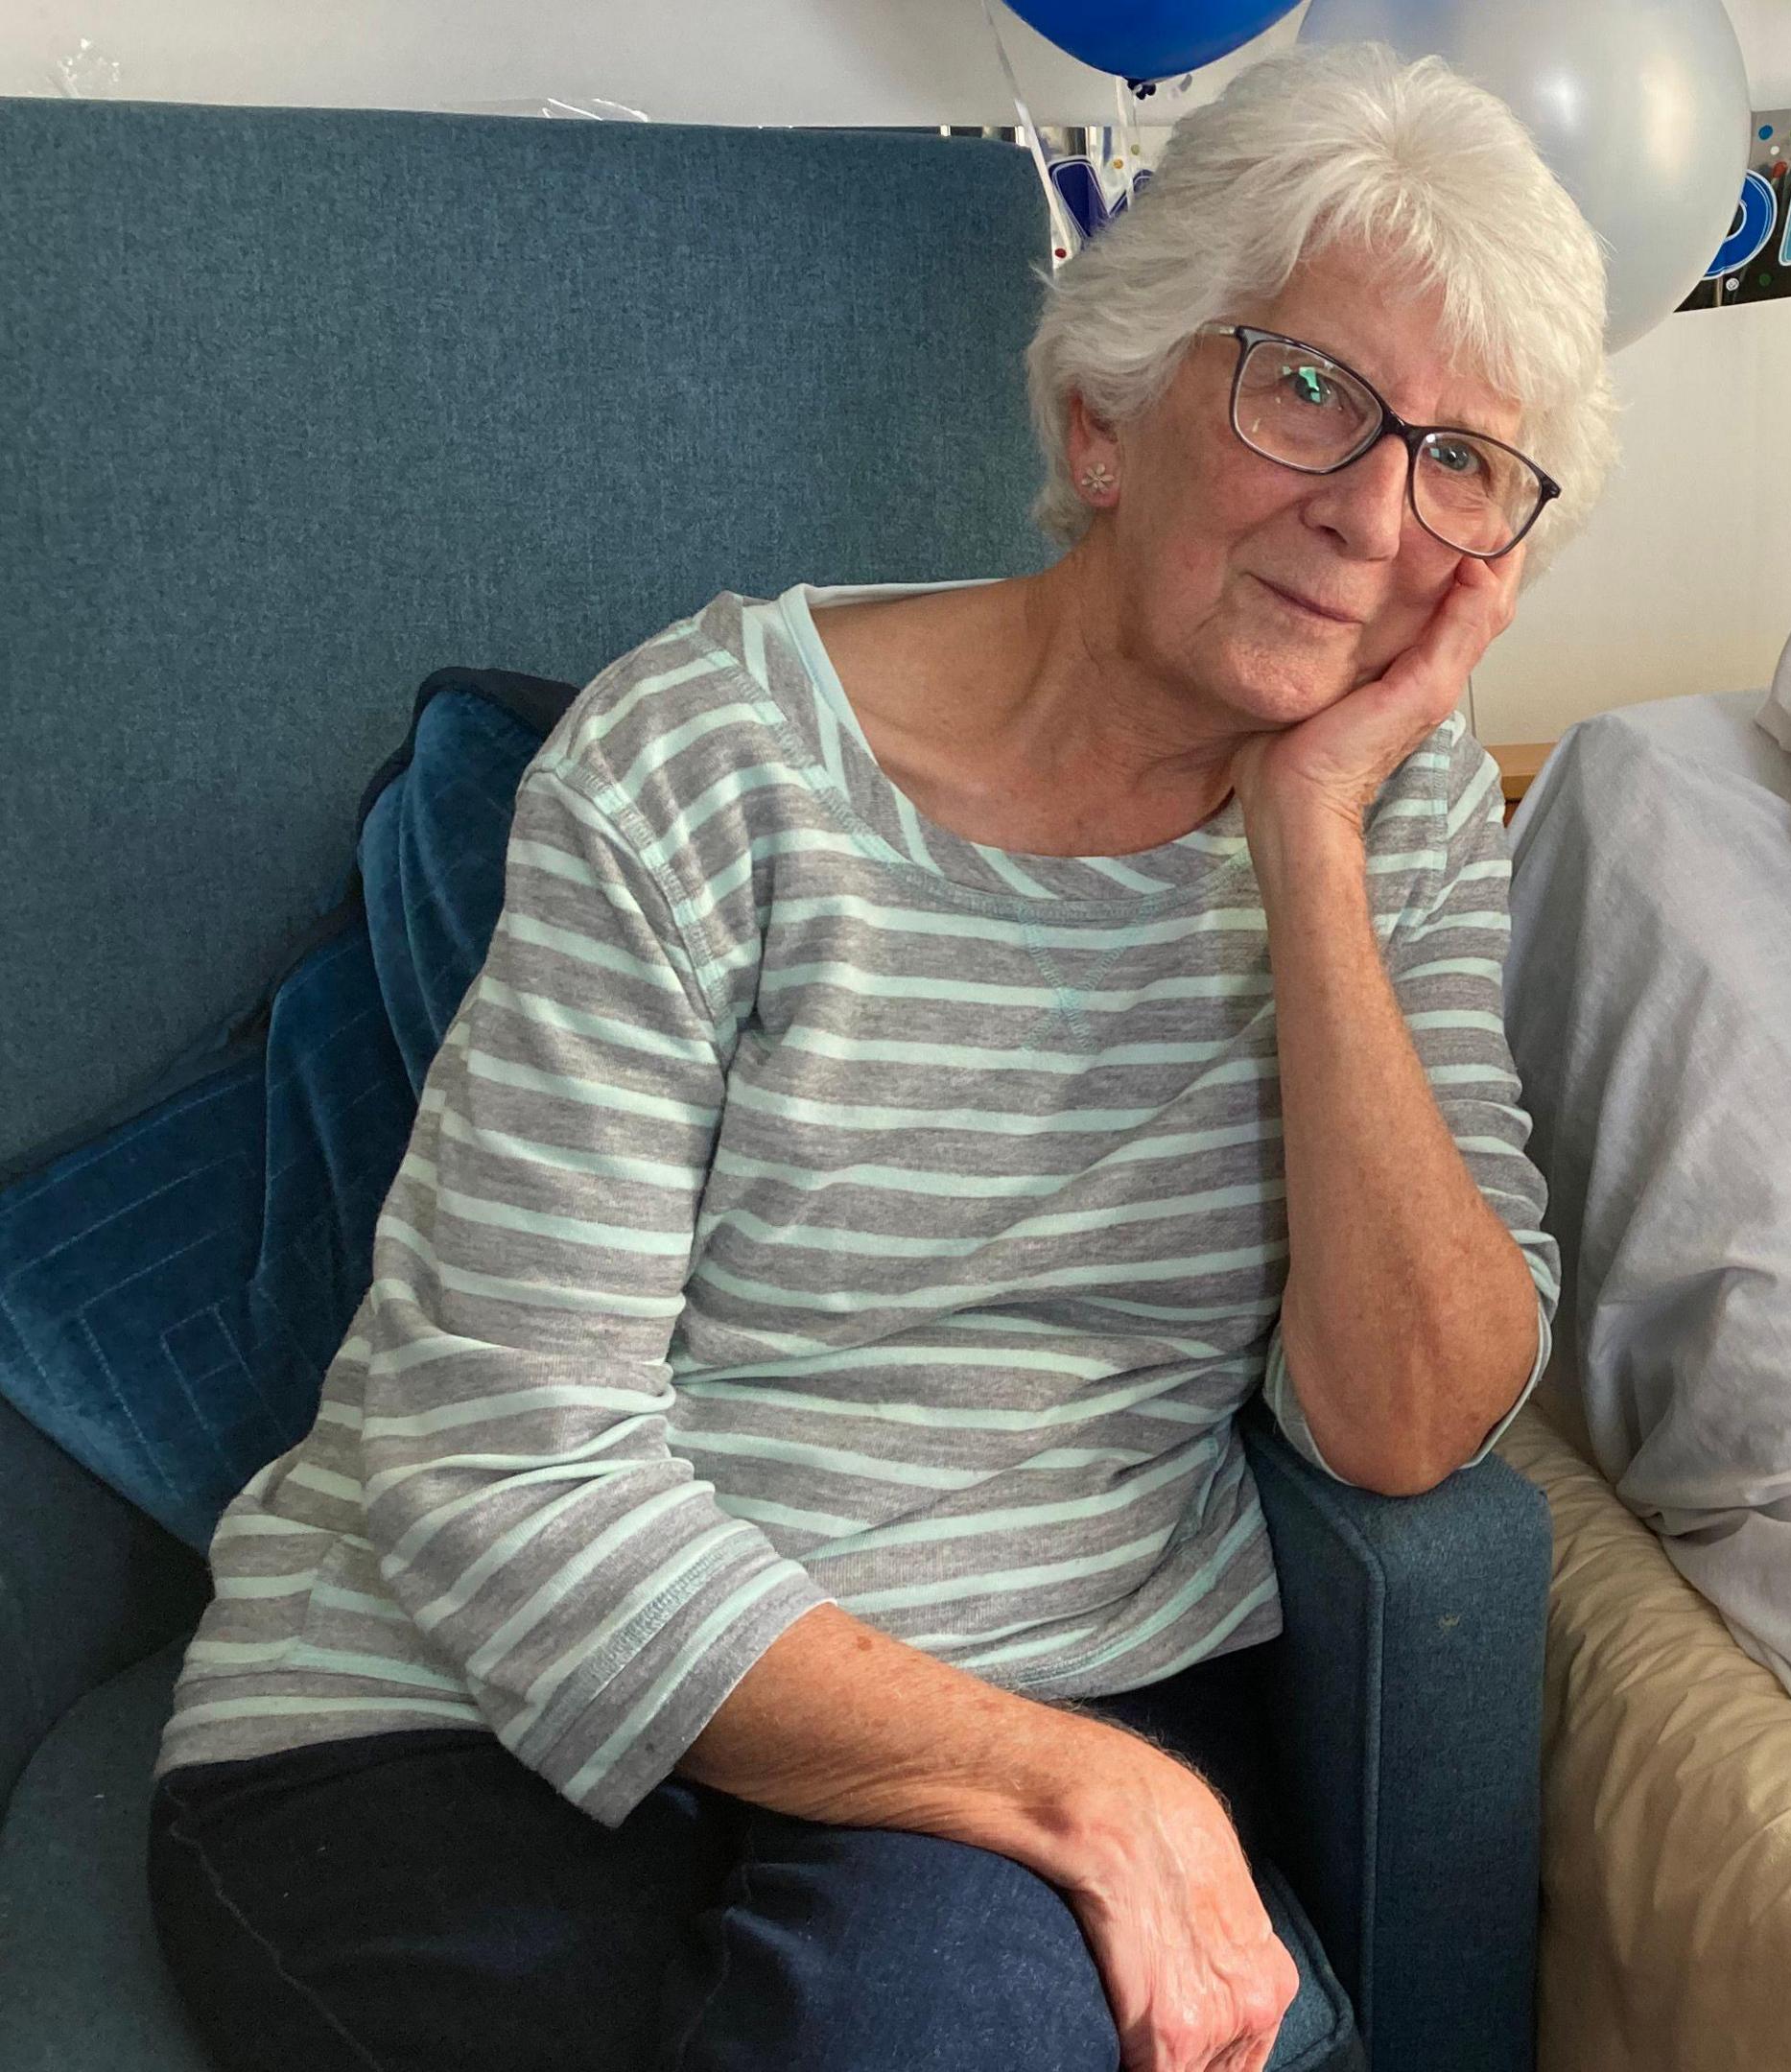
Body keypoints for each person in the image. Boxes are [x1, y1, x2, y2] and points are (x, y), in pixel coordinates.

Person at [146, 43, 1614, 2072]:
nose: (1375, 513)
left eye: (1460, 461)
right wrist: (1079, 1789)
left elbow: (1407, 1421)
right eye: (1310, 391)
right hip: (449, 1701)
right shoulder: (705, 763)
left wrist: (1310, 843)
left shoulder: (1399, 815)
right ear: (1107, 417)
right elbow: (502, 1462)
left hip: (1017, 1683)